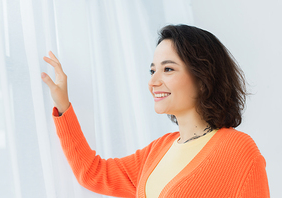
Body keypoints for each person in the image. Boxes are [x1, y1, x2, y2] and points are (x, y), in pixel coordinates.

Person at [41, 24, 270, 197]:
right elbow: (92, 173)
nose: (153, 82)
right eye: (152, 71)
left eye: (168, 69)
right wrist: (64, 106)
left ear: (203, 79)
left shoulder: (238, 150)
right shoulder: (158, 150)